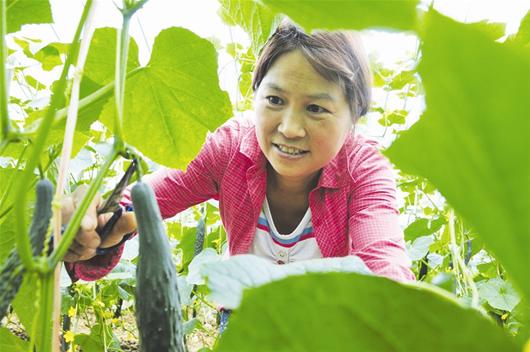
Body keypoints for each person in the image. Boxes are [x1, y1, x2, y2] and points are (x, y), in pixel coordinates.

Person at [62, 20, 415, 284]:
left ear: (354, 116)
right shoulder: (229, 150)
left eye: (316, 109)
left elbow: (382, 258)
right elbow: (148, 198)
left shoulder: (365, 168)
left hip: (328, 324)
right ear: (256, 95)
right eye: (275, 100)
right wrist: (100, 226)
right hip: (244, 314)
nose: (290, 128)